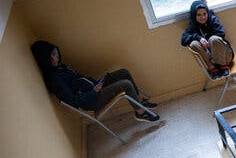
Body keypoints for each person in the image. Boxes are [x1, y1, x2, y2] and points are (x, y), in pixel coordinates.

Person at [30, 40, 159, 122]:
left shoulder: (60, 68)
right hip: (92, 100)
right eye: (50, 56)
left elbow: (80, 80)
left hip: (95, 87)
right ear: (43, 60)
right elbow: (74, 101)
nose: (55, 57)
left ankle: (139, 102)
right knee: (125, 84)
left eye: (54, 53)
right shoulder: (54, 79)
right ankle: (140, 113)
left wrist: (98, 82)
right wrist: (94, 91)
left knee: (123, 72)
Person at [181, 1, 234, 79]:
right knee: (193, 44)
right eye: (199, 15)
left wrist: (208, 41)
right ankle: (212, 68)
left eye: (204, 14)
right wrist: (199, 38)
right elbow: (183, 40)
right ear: (194, 15)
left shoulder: (212, 19)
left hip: (225, 57)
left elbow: (221, 34)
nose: (202, 17)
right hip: (211, 61)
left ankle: (222, 66)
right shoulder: (193, 24)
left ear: (207, 13)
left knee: (214, 39)